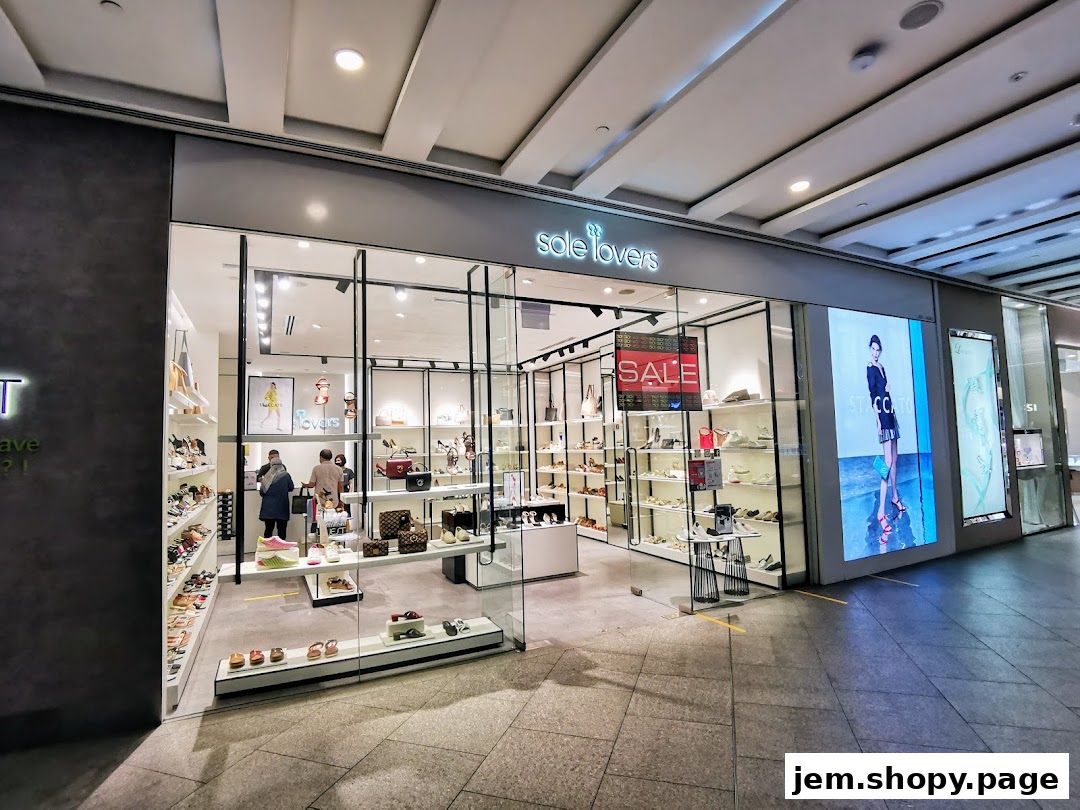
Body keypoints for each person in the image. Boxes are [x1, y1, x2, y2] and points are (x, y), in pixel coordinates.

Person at [867, 334, 903, 537]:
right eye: (873, 349)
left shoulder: (882, 367)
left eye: (878, 349)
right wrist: (878, 422)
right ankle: (881, 511)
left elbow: (883, 390)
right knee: (888, 462)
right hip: (882, 415)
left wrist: (888, 389)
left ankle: (895, 497)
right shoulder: (870, 368)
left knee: (895, 459)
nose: (876, 352)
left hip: (890, 412)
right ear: (869, 349)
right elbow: (873, 396)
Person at [258, 453, 294, 539]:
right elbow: (291, 488)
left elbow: (262, 492)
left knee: (268, 530)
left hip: (268, 508)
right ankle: (281, 550)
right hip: (282, 507)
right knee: (281, 531)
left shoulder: (267, 477)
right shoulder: (286, 475)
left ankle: (267, 549)